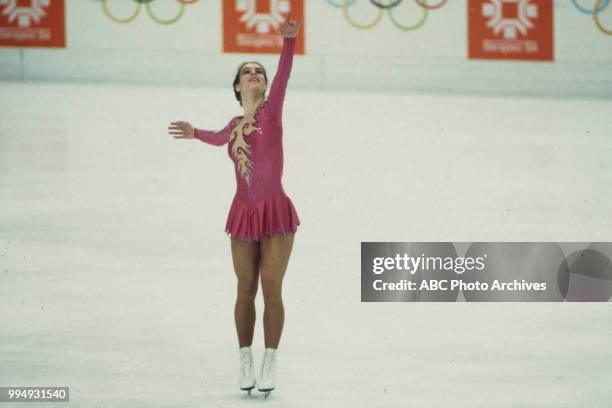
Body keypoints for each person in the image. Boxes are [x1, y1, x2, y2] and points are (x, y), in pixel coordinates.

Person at [168, 14, 302, 398]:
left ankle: (270, 359)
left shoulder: (272, 111)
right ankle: (245, 355)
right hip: (243, 212)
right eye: (248, 72)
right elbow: (215, 137)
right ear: (237, 85)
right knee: (245, 288)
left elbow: (284, 76)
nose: (255, 74)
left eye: (259, 71)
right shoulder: (232, 125)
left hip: (275, 211)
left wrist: (288, 43)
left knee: (271, 287)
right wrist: (195, 134)